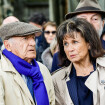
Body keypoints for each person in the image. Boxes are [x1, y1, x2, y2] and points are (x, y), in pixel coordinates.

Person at [52, 18, 105, 105]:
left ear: (89, 44)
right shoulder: (57, 80)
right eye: (66, 44)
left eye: (75, 42)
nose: (70, 49)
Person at [0, 22, 55, 105]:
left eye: (33, 38)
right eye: (25, 38)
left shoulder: (42, 70)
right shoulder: (2, 71)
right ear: (7, 45)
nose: (33, 43)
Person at [51, 0, 105, 73]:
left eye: (95, 19)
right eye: (83, 19)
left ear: (103, 23)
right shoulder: (61, 56)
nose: (89, 23)